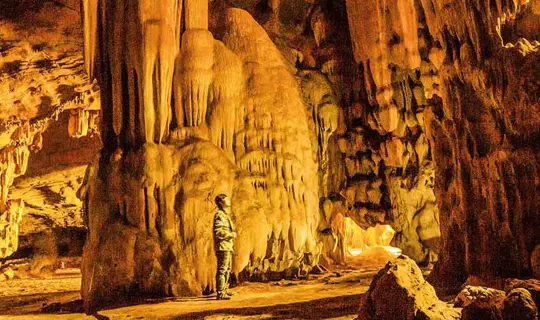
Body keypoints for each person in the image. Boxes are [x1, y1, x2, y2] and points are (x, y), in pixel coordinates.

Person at [213, 194, 237, 300]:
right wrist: (231, 235)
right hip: (223, 246)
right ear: (221, 202)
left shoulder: (224, 214)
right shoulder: (220, 215)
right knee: (222, 269)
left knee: (227, 269)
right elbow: (218, 232)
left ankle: (224, 290)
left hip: (227, 246)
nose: (228, 200)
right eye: (226, 199)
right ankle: (220, 293)